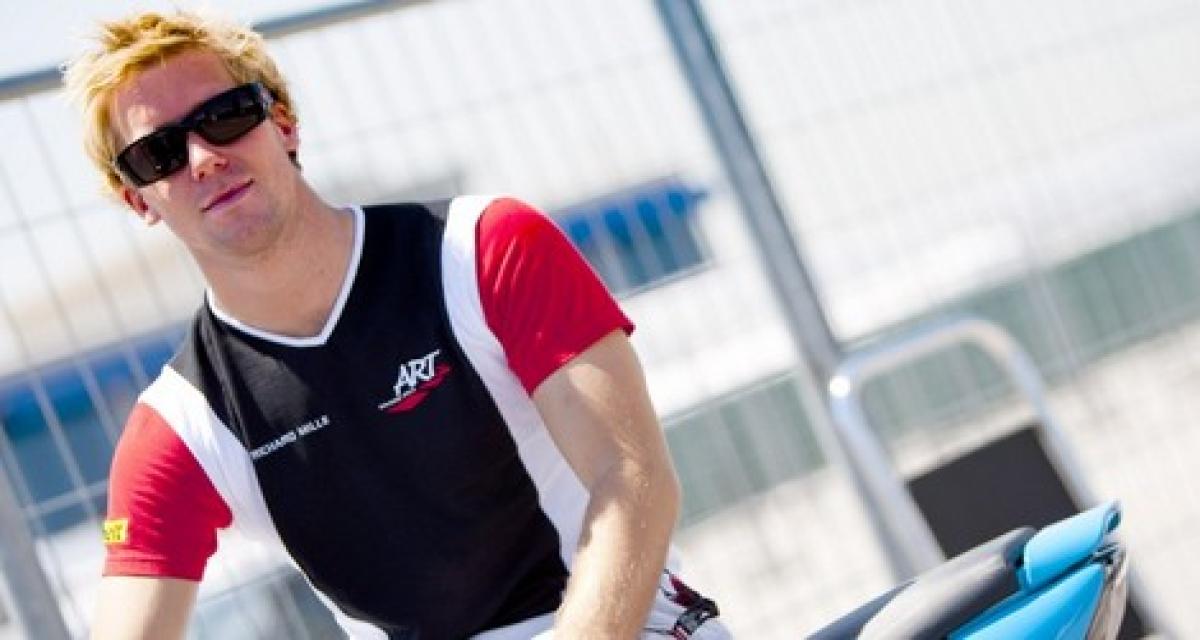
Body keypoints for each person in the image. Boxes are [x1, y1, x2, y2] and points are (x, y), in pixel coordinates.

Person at [63, 9, 731, 640]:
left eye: (225, 116)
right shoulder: (182, 424)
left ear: (284, 124)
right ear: (138, 200)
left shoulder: (484, 249)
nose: (204, 158)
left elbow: (633, 479)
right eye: (159, 154)